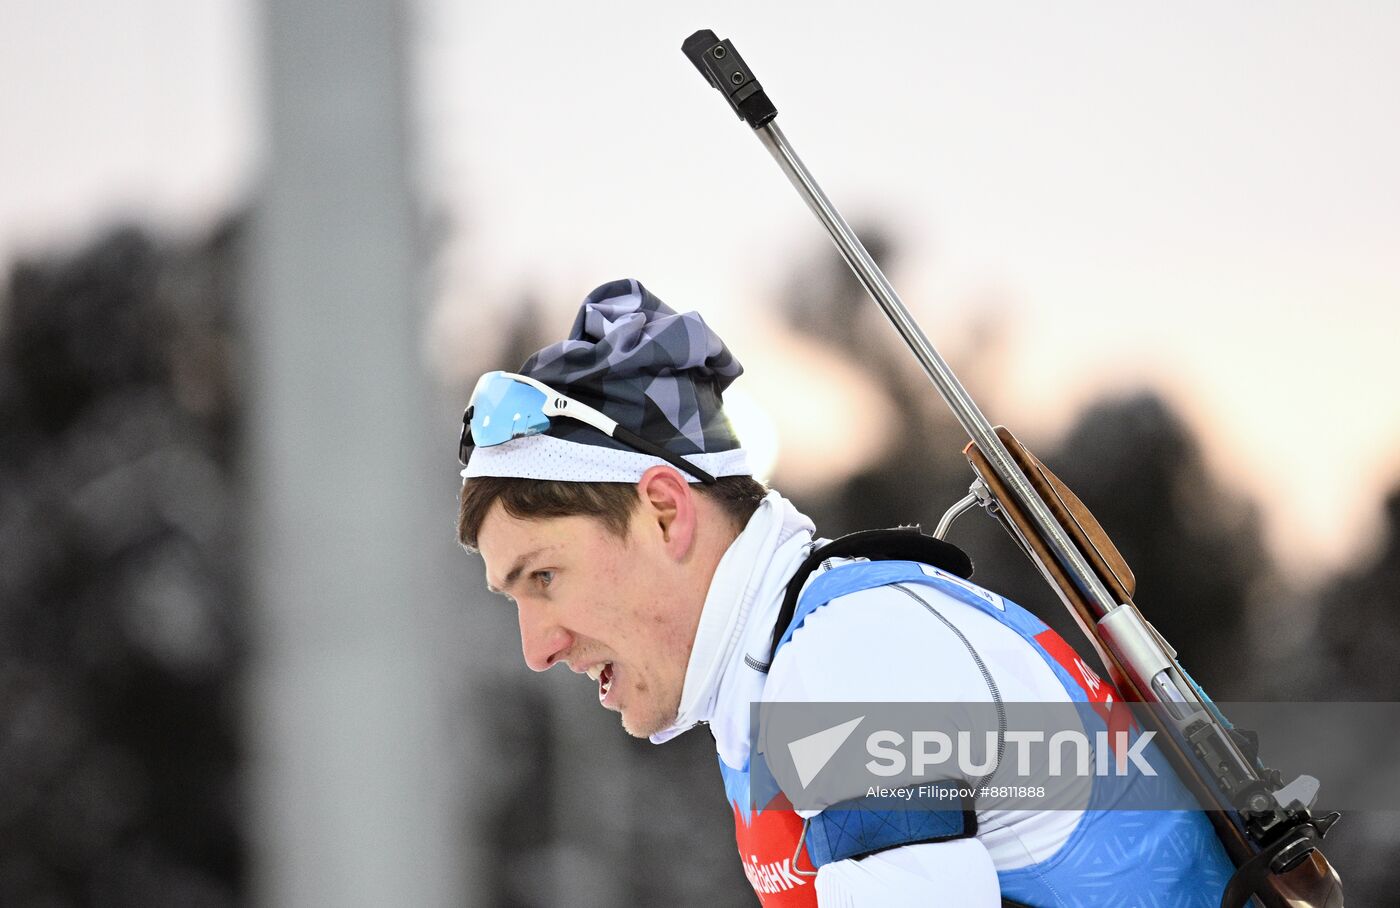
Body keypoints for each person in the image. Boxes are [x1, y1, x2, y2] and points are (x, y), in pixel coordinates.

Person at [455, 278, 1235, 906]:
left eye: (545, 577)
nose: (536, 647)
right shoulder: (783, 665)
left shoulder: (845, 659)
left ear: (663, 512)